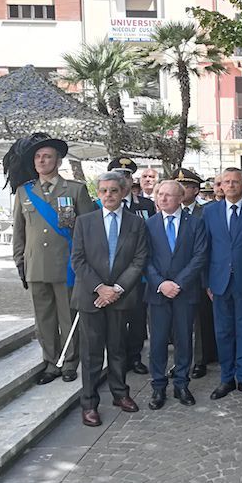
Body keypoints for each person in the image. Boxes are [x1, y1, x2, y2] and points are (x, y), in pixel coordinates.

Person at [13, 135, 94, 384]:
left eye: (47, 156)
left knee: (67, 316)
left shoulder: (75, 189)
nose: (41, 160)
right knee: (44, 319)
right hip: (35, 265)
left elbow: (88, 230)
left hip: (67, 266)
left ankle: (69, 362)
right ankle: (51, 361)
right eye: (38, 157)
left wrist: (85, 266)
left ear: (58, 161)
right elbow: (19, 231)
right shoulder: (24, 192)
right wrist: (20, 263)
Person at [71, 171, 148, 426]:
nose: (108, 195)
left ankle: (120, 394)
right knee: (92, 354)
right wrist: (100, 288)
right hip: (91, 298)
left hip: (120, 297)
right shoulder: (84, 222)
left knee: (117, 350)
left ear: (123, 191)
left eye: (113, 190)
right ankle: (89, 404)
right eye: (103, 191)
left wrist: (116, 289)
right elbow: (78, 260)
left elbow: (139, 260)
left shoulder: (136, 223)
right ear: (98, 193)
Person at [144, 180, 208, 409]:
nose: (163, 199)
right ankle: (158, 386)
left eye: (168, 195)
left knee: (184, 340)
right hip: (158, 293)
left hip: (185, 291)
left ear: (181, 198)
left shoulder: (196, 224)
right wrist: (161, 284)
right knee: (158, 342)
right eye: (160, 194)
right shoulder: (149, 224)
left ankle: (181, 383)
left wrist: (178, 283)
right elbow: (145, 259)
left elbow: (200, 256)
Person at [202, 168, 242, 400]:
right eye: (226, 182)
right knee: (223, 332)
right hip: (218, 281)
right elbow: (204, 249)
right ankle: (226, 378)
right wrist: (206, 281)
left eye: (235, 182)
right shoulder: (210, 212)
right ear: (220, 185)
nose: (230, 186)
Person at [107, 157, 156, 376]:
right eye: (118, 175)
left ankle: (135, 357)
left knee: (137, 318)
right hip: (112, 272)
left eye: (126, 176)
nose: (123, 179)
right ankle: (117, 359)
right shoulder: (102, 204)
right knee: (115, 321)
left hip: (139, 273)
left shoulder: (145, 205)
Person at [172, 169, 217, 379]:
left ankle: (200, 360)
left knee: (201, 321)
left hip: (198, 275)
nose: (180, 190)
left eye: (186, 186)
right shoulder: (168, 210)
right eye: (177, 185)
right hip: (173, 278)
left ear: (196, 190)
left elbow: (208, 247)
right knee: (178, 323)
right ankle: (180, 361)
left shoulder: (205, 212)